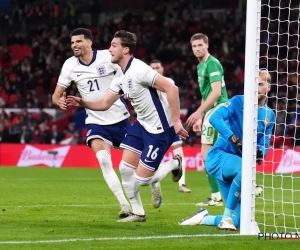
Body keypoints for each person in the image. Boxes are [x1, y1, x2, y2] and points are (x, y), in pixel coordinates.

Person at [66, 30, 189, 222]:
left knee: (144, 180)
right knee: (124, 168)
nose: (109, 49)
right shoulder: (120, 75)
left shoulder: (140, 69)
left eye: (114, 46)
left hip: (159, 130)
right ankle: (138, 213)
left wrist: (176, 121)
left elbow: (171, 88)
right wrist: (83, 103)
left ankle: (175, 163)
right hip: (141, 125)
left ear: (126, 50)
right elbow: (105, 103)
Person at [179, 70, 275, 230]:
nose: (257, 88)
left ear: (268, 87)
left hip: (237, 166)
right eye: (254, 84)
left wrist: (260, 153)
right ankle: (225, 218)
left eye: (261, 84)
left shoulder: (269, 115)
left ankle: (204, 218)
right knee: (245, 170)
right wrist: (233, 139)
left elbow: (265, 141)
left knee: (240, 222)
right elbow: (214, 118)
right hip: (219, 156)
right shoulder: (238, 102)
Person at [52, 28, 132, 218]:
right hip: (96, 121)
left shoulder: (107, 56)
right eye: (72, 43)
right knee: (104, 161)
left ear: (89, 42)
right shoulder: (70, 65)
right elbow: (55, 95)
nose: (74, 46)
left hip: (120, 119)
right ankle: (124, 205)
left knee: (138, 168)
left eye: (78, 41)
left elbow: (127, 73)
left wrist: (127, 88)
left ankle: (159, 178)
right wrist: (59, 101)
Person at [186, 33, 228, 206]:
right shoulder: (200, 66)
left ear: (207, 45)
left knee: (208, 154)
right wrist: (201, 117)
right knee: (213, 154)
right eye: (194, 46)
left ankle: (218, 194)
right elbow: (206, 93)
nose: (197, 49)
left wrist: (197, 112)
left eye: (200, 45)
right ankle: (218, 194)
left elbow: (217, 92)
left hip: (219, 110)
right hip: (211, 112)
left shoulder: (212, 63)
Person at [150, 59, 191, 193]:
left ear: (162, 69)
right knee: (156, 155)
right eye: (153, 68)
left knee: (178, 152)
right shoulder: (145, 84)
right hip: (154, 124)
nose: (155, 70)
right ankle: (155, 184)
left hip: (170, 123)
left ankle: (182, 184)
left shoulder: (169, 82)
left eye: (157, 67)